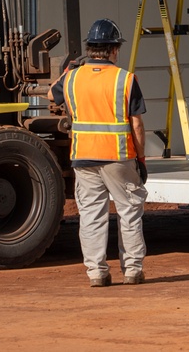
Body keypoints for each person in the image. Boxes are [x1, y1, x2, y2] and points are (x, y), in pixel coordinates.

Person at [51, 18, 148, 287]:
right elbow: (137, 124)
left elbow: (50, 95)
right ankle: (132, 270)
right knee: (129, 212)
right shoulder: (125, 80)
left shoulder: (72, 78)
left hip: (83, 158)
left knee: (92, 216)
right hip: (118, 158)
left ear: (90, 47)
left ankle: (96, 273)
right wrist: (141, 159)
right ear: (114, 49)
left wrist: (69, 69)